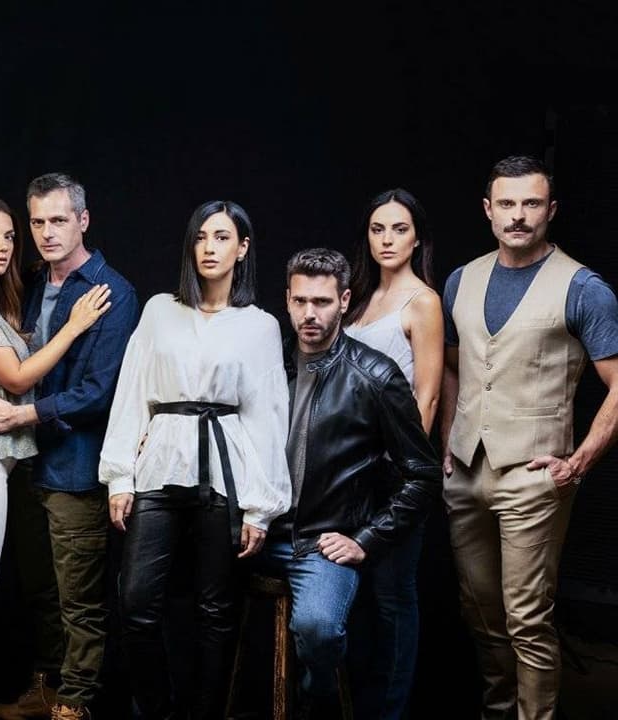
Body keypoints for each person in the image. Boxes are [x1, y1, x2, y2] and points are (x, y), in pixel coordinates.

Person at [0, 173, 140, 720]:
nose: (47, 233)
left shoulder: (111, 292)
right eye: (36, 222)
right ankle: (48, 685)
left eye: (59, 220)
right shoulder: (26, 280)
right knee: (38, 588)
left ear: (83, 220)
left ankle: (74, 701)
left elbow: (99, 392)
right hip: (24, 462)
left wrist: (22, 413)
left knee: (79, 596)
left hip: (75, 464)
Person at [439, 156, 618, 719]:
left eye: (532, 203)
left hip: (535, 477)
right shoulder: (461, 280)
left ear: (551, 210)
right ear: (488, 210)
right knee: (480, 614)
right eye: (507, 204)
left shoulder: (584, 288)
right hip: (466, 471)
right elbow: (452, 369)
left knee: (527, 620)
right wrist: (447, 441)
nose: (518, 215)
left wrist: (579, 462)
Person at [99, 200, 291, 720]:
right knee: (136, 603)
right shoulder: (160, 309)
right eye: (201, 236)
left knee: (215, 610)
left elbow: (269, 416)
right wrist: (119, 476)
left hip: (225, 473)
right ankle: (158, 711)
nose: (209, 247)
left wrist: (260, 508)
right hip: (160, 463)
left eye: (222, 237)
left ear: (242, 248)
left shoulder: (259, 325)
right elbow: (132, 391)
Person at [265, 248, 440, 717]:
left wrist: (366, 539)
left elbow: (422, 475)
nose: (309, 314)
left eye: (322, 302)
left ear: (344, 301)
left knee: (319, 629)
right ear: (287, 300)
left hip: (321, 543)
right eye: (300, 301)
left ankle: (314, 703)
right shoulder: (266, 363)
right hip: (259, 532)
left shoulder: (375, 376)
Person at [343, 188, 443, 719]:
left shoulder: (422, 302)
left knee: (392, 597)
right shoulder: (359, 298)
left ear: (417, 238)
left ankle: (390, 712)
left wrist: (406, 473)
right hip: (349, 472)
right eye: (377, 229)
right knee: (357, 600)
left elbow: (427, 396)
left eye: (399, 229)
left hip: (395, 473)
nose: (387, 239)